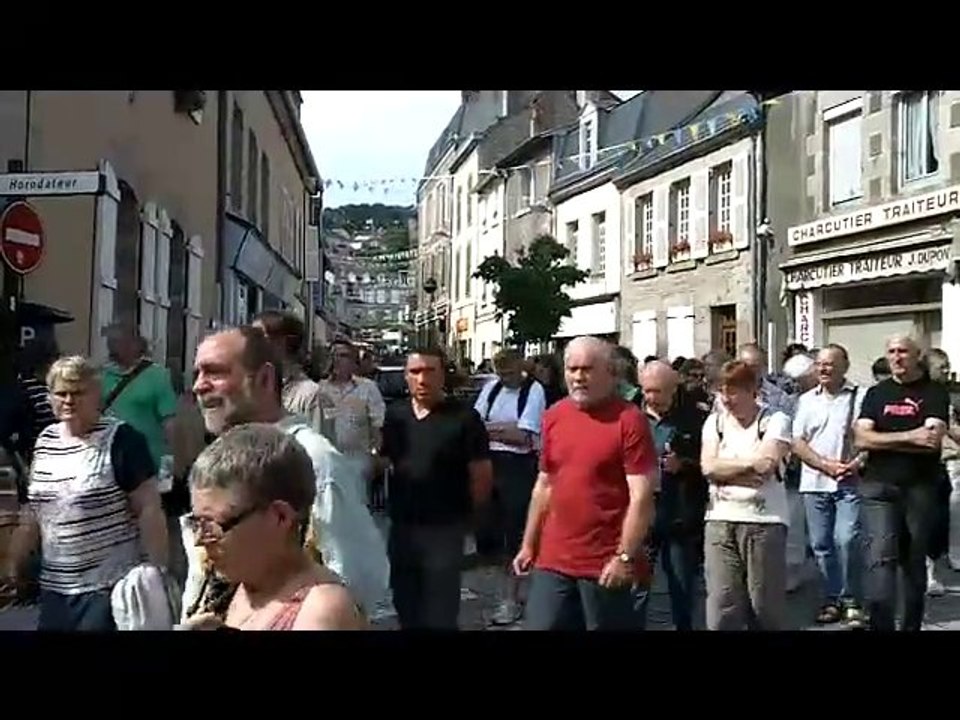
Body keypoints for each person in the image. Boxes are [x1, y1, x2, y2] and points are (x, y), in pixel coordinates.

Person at [185, 326, 388, 619]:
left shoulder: (314, 458)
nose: (199, 386)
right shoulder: (218, 457)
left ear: (266, 379)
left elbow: (359, 577)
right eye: (197, 375)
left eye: (215, 372)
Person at [4, 355, 169, 631]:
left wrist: (157, 573)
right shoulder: (45, 442)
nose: (69, 400)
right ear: (50, 398)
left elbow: (149, 509)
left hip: (106, 588)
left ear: (96, 395)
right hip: (55, 589)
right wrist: (14, 564)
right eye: (61, 393)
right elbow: (35, 510)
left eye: (78, 392)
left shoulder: (122, 440)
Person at [514, 336, 658, 631]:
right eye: (572, 369)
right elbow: (545, 485)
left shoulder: (629, 420)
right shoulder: (554, 416)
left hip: (604, 563)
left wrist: (625, 556)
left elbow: (641, 496)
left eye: (588, 369)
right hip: (553, 559)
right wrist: (529, 544)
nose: (578, 377)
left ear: (610, 373)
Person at [179, 424, 366, 630]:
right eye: (196, 524)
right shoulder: (227, 591)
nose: (199, 540)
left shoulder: (321, 609)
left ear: (280, 517)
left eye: (212, 526)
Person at [379, 346, 493, 629]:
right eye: (415, 372)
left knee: (440, 613)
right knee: (406, 605)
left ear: (443, 375)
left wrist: (471, 519)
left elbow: (481, 474)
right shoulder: (396, 415)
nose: (422, 379)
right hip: (403, 528)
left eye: (430, 371)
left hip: (445, 528)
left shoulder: (464, 418)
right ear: (406, 377)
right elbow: (384, 460)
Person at [853, 335, 950, 631]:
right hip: (878, 487)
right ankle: (881, 625)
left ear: (917, 355)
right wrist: (909, 436)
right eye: (892, 351)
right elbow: (860, 439)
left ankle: (910, 626)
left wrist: (882, 441)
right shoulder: (876, 394)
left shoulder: (934, 393)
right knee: (879, 561)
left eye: (903, 351)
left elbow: (931, 442)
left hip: (919, 487)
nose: (896, 357)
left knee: (912, 563)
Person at [700, 360, 792, 630]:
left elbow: (766, 466)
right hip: (719, 519)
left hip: (765, 521)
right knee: (722, 604)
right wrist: (747, 466)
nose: (726, 399)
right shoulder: (714, 423)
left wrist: (725, 470)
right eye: (721, 392)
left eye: (733, 392)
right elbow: (708, 466)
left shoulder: (775, 421)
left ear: (752, 390)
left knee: (764, 604)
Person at [100, 326, 185, 587]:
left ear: (137, 343)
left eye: (119, 340)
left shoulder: (157, 377)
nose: (113, 347)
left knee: (154, 518)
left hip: (151, 463)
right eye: (110, 341)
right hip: (109, 463)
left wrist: (175, 465)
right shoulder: (100, 376)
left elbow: (170, 424)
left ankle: (160, 575)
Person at [791, 345, 866, 627]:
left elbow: (868, 436)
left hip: (849, 480)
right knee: (821, 545)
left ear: (844, 367)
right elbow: (797, 442)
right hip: (815, 482)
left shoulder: (859, 398)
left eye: (830, 364)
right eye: (819, 364)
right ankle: (831, 599)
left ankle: (851, 600)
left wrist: (856, 463)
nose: (823, 369)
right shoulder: (807, 400)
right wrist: (824, 464)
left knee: (846, 539)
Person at [472, 349, 547, 626]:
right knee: (490, 533)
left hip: (517, 467)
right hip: (490, 464)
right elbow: (473, 424)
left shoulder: (533, 391)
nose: (505, 378)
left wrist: (490, 429)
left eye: (510, 373)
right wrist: (502, 429)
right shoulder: (492, 389)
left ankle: (513, 598)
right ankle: (506, 593)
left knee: (515, 533)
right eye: (501, 373)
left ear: (521, 368)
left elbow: (524, 435)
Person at [635, 361, 708, 631]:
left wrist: (684, 464)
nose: (651, 397)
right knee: (636, 588)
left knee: (681, 589)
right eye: (647, 391)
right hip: (642, 516)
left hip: (679, 515)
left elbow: (709, 463)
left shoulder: (694, 418)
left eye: (658, 391)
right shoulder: (633, 417)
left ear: (673, 388)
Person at [317, 340, 387, 504]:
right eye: (333, 355)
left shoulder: (367, 388)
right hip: (327, 462)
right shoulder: (319, 390)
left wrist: (375, 456)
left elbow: (377, 425)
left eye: (343, 356)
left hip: (357, 462)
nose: (337, 360)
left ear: (353, 361)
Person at [252, 311, 335, 442]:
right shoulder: (255, 388)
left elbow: (320, 452)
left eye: (258, 337)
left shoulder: (312, 395)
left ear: (282, 342)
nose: (252, 344)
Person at [919, 348, 956, 594]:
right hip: (919, 466)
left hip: (939, 466)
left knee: (937, 523)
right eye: (941, 367)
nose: (947, 371)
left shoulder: (948, 394)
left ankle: (931, 573)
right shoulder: (920, 394)